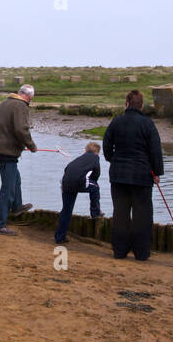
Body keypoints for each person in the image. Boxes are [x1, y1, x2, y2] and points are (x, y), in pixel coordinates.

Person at [102, 90, 164, 261]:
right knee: (142, 215)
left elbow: (106, 145)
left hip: (119, 175)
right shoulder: (147, 123)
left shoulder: (116, 121)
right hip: (142, 176)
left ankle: (120, 251)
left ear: (126, 104)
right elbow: (155, 151)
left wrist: (113, 160)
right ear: (141, 105)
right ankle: (142, 252)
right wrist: (157, 172)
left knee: (120, 214)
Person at [0, 84, 37, 236]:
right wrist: (31, 145)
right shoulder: (20, 106)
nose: (30, 102)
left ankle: (17, 206)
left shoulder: (6, 102)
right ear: (28, 97)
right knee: (8, 189)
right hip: (6, 152)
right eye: (31, 99)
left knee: (16, 179)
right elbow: (21, 129)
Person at [54, 142, 104, 243]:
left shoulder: (79, 158)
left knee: (66, 210)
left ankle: (60, 236)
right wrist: (92, 182)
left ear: (85, 150)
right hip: (78, 182)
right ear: (97, 153)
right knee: (95, 187)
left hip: (65, 183)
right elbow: (96, 173)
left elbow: (67, 169)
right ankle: (95, 213)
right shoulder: (95, 158)